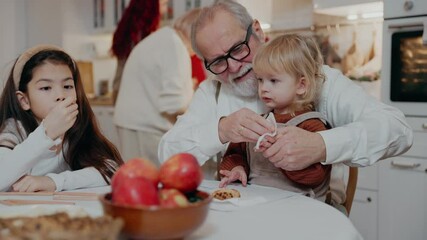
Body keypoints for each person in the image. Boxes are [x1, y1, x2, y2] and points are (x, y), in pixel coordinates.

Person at [158, 0, 412, 204]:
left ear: (257, 31)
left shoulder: (314, 78)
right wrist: (221, 130)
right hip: (244, 216)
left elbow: (398, 130)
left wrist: (321, 145)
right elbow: (166, 155)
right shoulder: (211, 91)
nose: (233, 66)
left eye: (237, 49)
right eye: (218, 62)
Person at [219, 34, 332, 201]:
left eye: (273, 80)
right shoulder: (258, 122)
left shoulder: (312, 126)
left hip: (299, 209)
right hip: (257, 204)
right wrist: (237, 168)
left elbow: (316, 177)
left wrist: (284, 158)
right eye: (260, 80)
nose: (263, 88)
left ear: (301, 85)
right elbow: (234, 153)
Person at [0, 45, 124, 192]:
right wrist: (46, 134)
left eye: (67, 86)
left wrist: (53, 181)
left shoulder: (76, 125)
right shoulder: (14, 129)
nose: (61, 95)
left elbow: (112, 169)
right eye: (46, 88)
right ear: (24, 101)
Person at [114, 8, 202, 166]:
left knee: (135, 179)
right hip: (146, 129)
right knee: (148, 182)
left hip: (133, 124)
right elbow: (174, 104)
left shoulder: (164, 37)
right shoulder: (176, 46)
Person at [110, 0, 169, 103]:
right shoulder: (143, 36)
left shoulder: (126, 31)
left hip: (119, 92)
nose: (166, 9)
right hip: (133, 96)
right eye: (163, 4)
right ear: (151, 7)